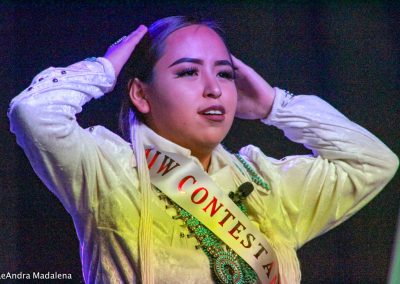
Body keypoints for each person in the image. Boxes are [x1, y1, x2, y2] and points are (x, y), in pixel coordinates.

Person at [8, 15, 398, 284]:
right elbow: (33, 112)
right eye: (188, 72)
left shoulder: (267, 186)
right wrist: (104, 69)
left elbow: (374, 163)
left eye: (224, 73)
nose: (213, 88)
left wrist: (276, 105)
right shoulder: (107, 172)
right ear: (141, 94)